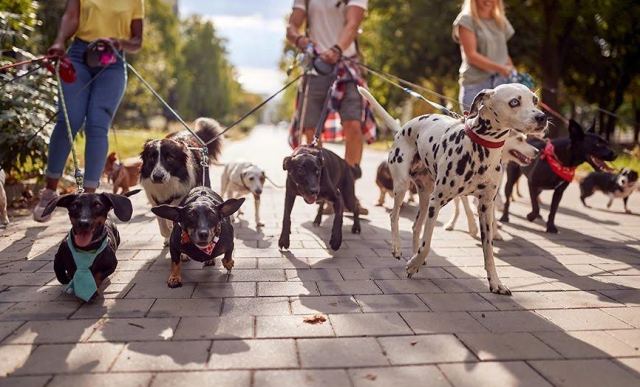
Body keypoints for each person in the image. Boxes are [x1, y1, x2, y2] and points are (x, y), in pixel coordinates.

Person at [33, 0, 144, 222]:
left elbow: (137, 41)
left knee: (97, 125)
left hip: (112, 59)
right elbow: (71, 17)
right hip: (78, 55)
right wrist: (59, 41)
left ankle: (90, 201)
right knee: (69, 120)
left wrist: (120, 43)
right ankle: (49, 192)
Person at [453, 0, 515, 112]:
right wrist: (501, 68)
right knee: (476, 128)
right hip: (476, 86)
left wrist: (514, 74)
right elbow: (471, 56)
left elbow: (503, 53)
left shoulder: (500, 20)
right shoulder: (466, 20)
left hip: (502, 83)